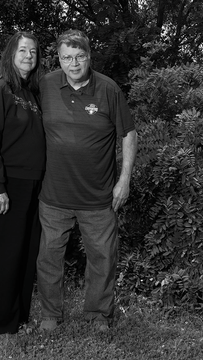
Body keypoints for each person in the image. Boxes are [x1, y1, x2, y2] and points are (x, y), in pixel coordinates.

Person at [37, 29, 137, 330]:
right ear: (59, 59)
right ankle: (50, 315)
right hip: (54, 194)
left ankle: (98, 315)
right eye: (67, 57)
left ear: (89, 56)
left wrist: (124, 180)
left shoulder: (108, 89)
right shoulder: (45, 85)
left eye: (79, 56)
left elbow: (129, 134)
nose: (74, 63)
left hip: (99, 196)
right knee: (48, 259)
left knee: (103, 258)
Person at [0, 32, 45, 334]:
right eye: (22, 50)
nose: (28, 55)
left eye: (33, 51)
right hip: (5, 184)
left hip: (32, 184)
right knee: (4, 254)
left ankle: (19, 317)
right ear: (10, 55)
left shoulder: (32, 94)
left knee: (25, 254)